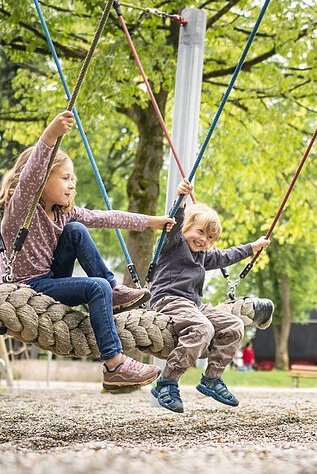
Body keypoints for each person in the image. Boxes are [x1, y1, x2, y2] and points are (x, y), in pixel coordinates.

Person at [0, 111, 176, 390]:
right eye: (65, 178)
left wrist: (151, 222)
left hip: (50, 280)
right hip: (25, 288)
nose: (72, 184)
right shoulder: (20, 211)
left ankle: (112, 290)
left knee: (78, 231)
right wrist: (50, 135)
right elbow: (31, 176)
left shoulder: (63, 215)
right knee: (96, 288)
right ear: (43, 180)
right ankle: (114, 365)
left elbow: (106, 218)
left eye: (74, 179)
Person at [149, 178, 270, 413]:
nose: (204, 239)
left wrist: (252, 247)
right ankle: (167, 381)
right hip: (168, 300)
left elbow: (227, 256)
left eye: (210, 238)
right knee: (203, 328)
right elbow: (174, 223)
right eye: (200, 231)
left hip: (193, 306)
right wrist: (181, 199)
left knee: (234, 325)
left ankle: (212, 378)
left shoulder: (203, 256)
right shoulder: (172, 244)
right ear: (186, 228)